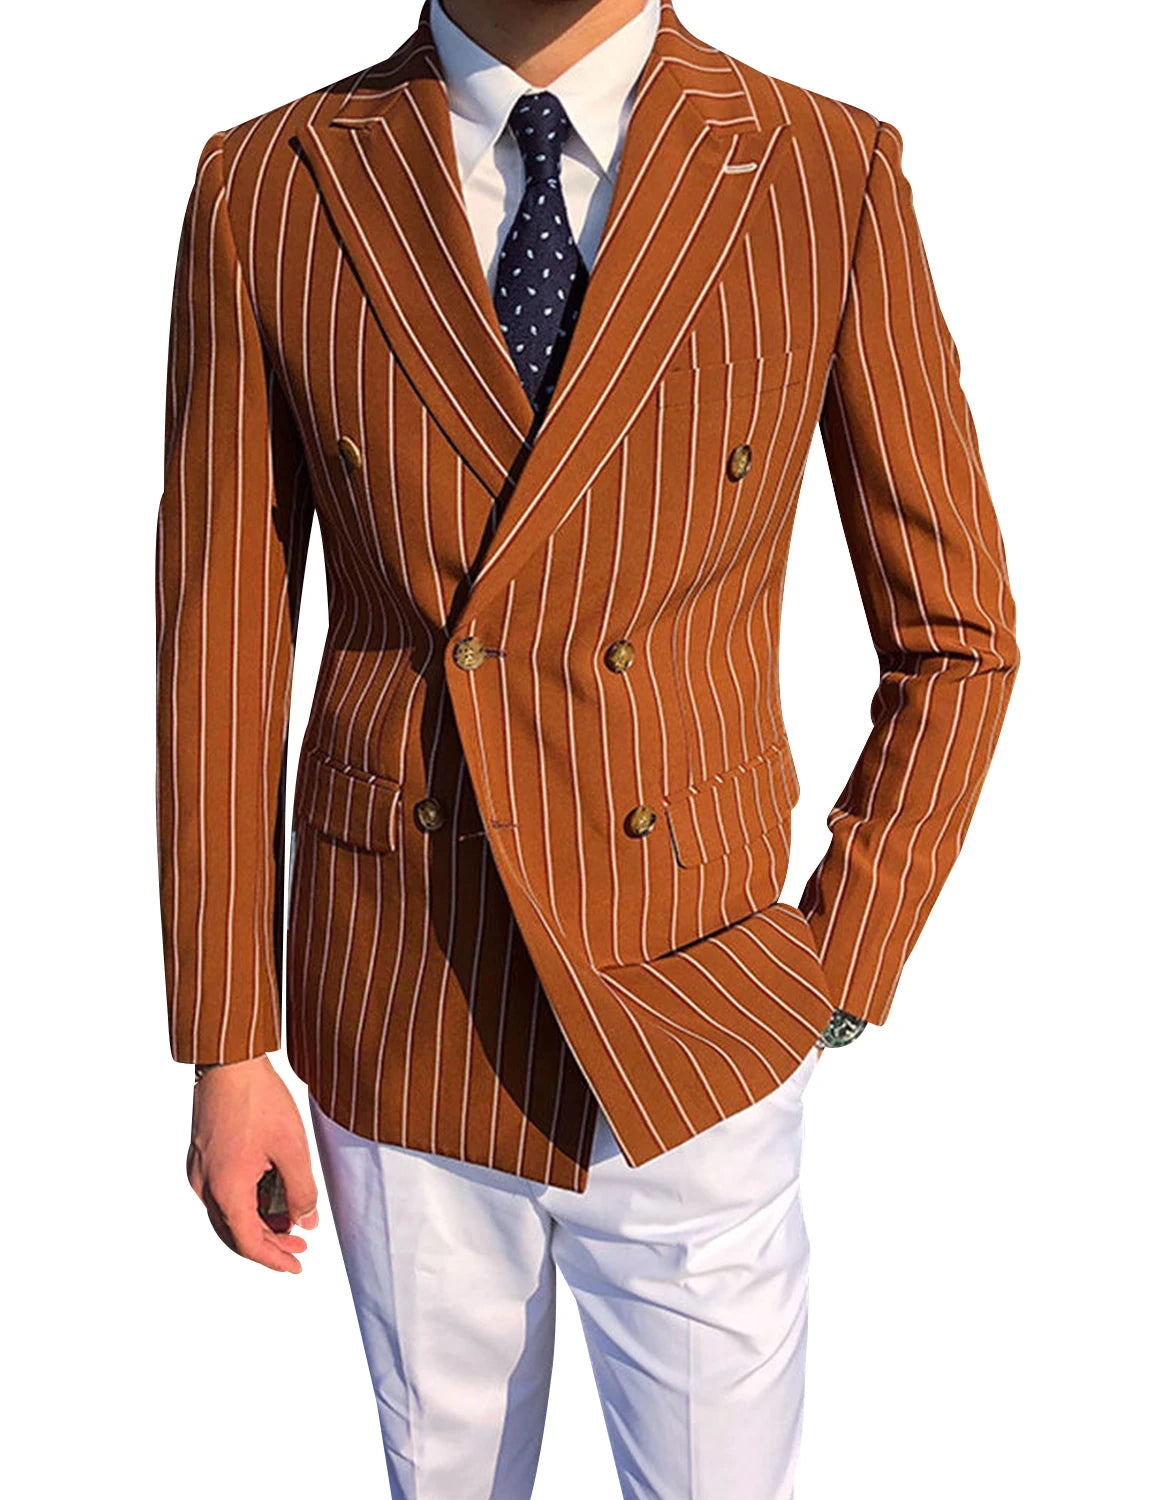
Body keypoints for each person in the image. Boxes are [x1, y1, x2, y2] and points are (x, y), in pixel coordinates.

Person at [155, 1, 1020, 1494]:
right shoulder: (270, 181)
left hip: (697, 1009)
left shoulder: (824, 169)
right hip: (401, 997)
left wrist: (834, 970)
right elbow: (218, 650)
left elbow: (958, 636)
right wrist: (228, 1041)